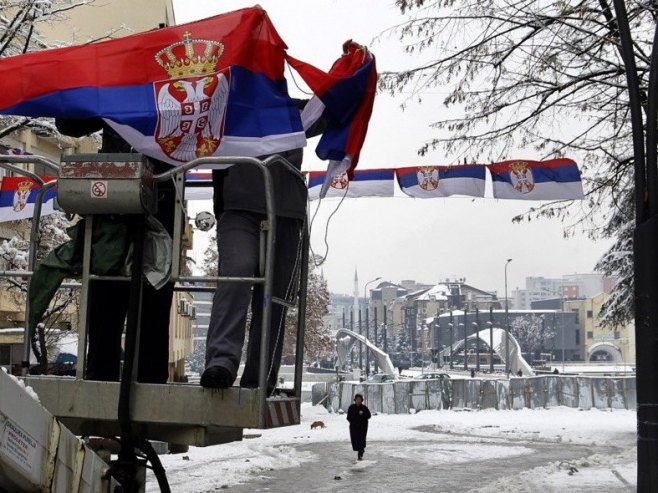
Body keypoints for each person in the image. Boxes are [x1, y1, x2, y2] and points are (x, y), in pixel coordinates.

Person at [201, 98, 326, 393]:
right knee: (238, 270)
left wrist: (352, 73)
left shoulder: (292, 110)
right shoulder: (225, 102)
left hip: (286, 211)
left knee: (276, 292)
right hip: (237, 206)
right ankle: (221, 363)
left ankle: (261, 375)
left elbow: (332, 111)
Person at [54, 118, 175, 384]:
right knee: (105, 290)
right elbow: (69, 124)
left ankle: (150, 382)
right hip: (112, 195)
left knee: (154, 293)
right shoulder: (115, 83)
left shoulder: (176, 84)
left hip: (161, 194)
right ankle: (100, 378)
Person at [347, 393, 371, 461]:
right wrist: (352, 422)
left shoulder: (364, 408)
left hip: (362, 427)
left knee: (361, 440)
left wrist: (363, 414)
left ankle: (360, 453)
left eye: (359, 399)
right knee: (355, 440)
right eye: (357, 399)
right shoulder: (351, 407)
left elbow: (369, 416)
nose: (358, 401)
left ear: (361, 400)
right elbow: (348, 417)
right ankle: (360, 450)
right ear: (355, 400)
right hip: (354, 427)